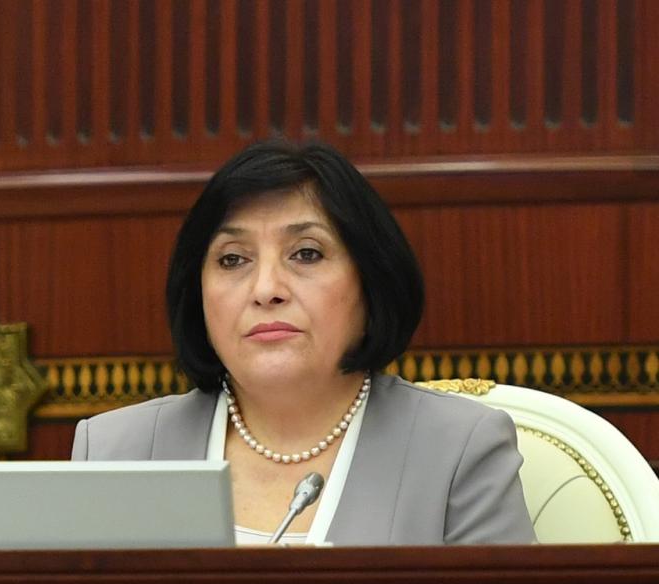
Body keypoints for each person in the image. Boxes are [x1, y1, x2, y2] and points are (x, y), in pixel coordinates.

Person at [71, 139, 536, 546]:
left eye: (306, 254)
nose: (265, 289)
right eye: (232, 260)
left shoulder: (458, 451)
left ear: (370, 281)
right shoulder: (116, 452)